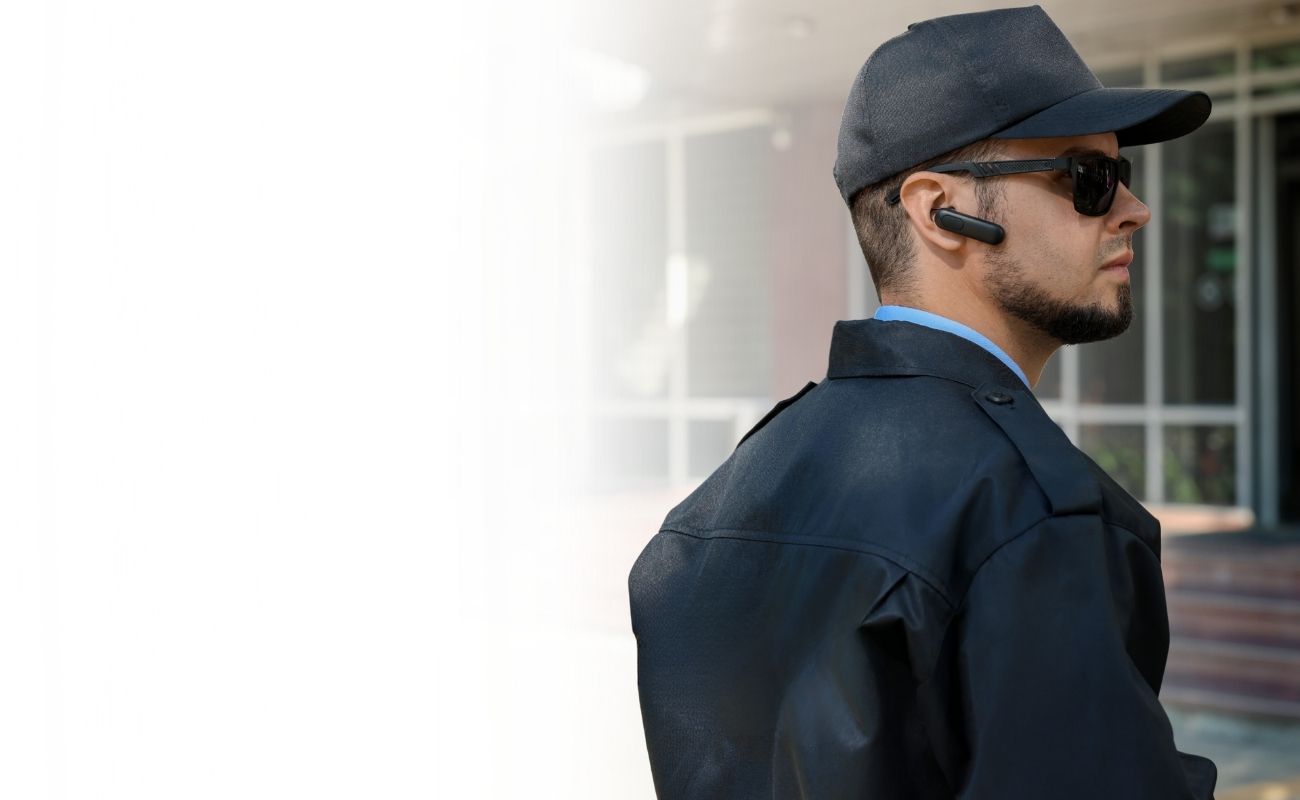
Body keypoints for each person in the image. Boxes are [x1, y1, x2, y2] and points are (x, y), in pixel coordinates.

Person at [628, 5, 1220, 799]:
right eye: (1087, 179)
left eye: (1122, 176)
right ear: (941, 210)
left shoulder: (711, 512)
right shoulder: (1030, 514)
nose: (1132, 210)